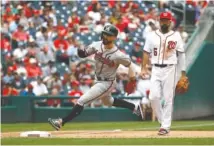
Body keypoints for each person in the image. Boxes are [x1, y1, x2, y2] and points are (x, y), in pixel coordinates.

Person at [48, 24, 143, 130]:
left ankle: (61, 122)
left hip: (107, 83)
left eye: (108, 35)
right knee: (108, 101)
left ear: (114, 37)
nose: (105, 36)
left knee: (81, 101)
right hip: (98, 79)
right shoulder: (96, 45)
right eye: (104, 34)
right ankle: (134, 107)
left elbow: (130, 64)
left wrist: (132, 79)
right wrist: (79, 49)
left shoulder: (118, 55)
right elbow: (83, 54)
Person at [140, 12, 188, 135]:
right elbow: (146, 52)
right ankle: (162, 122)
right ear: (159, 21)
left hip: (170, 69)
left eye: (166, 20)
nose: (164, 22)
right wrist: (143, 68)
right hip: (155, 69)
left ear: (170, 21)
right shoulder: (151, 36)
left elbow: (181, 54)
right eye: (162, 20)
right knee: (153, 97)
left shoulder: (176, 36)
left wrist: (183, 73)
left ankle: (165, 126)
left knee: (168, 98)